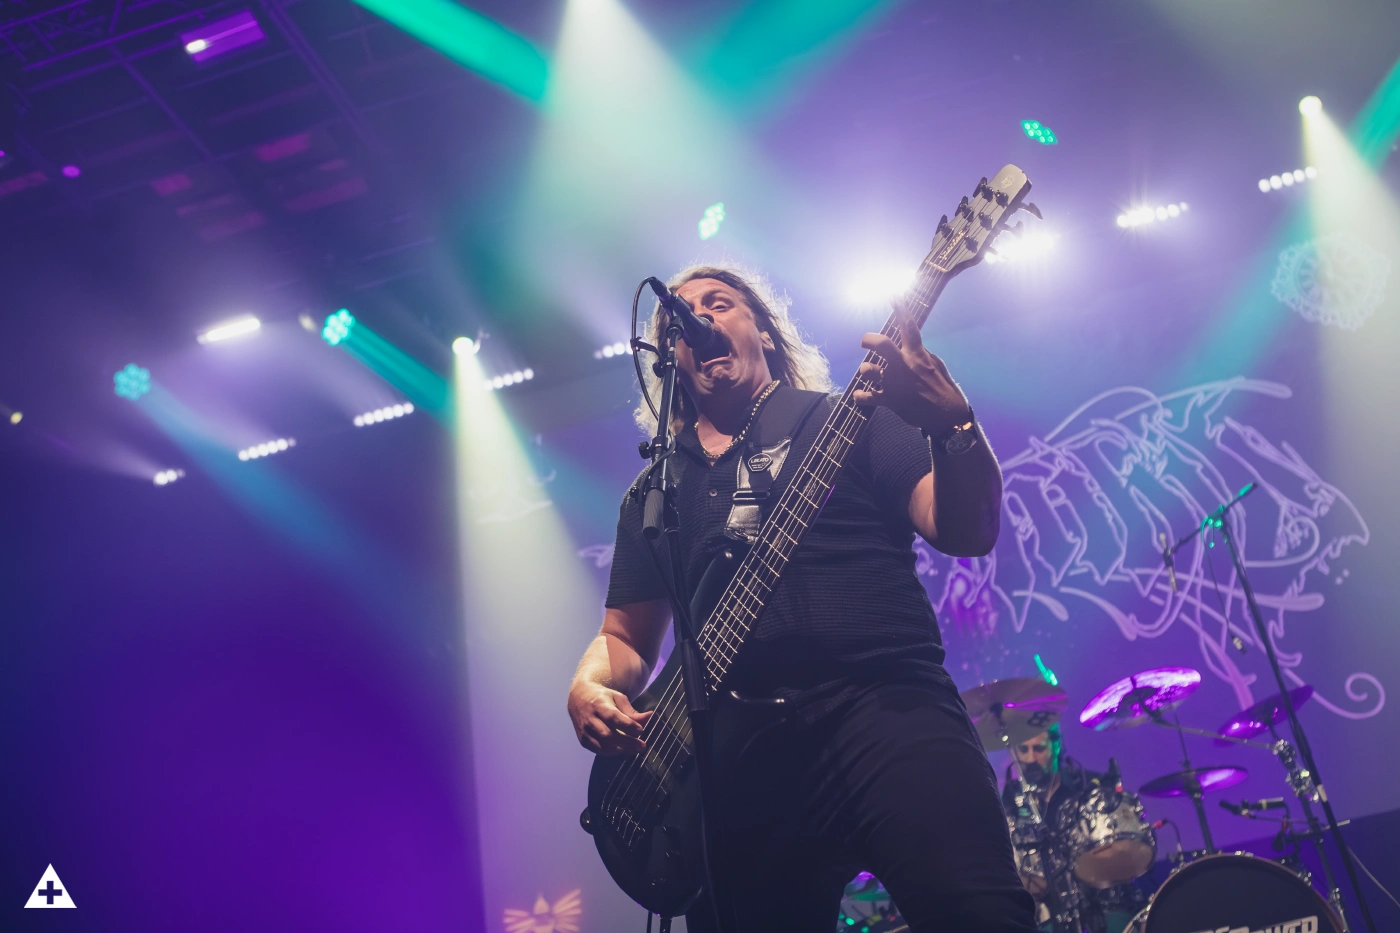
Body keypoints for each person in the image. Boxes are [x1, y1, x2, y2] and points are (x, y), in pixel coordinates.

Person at [567, 264, 1038, 933]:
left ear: (764, 329)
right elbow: (625, 638)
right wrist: (588, 686)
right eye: (677, 323)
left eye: (719, 303)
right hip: (740, 765)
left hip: (887, 712)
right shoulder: (654, 493)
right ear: (668, 360)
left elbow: (967, 530)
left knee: (978, 915)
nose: (698, 320)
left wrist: (953, 426)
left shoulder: (850, 419)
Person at [1002, 726, 1147, 933]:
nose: (1031, 758)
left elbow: (1125, 851)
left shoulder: (1088, 788)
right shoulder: (1011, 802)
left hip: (1102, 903)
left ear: (1057, 745)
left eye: (1039, 748)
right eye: (1023, 750)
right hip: (1049, 913)